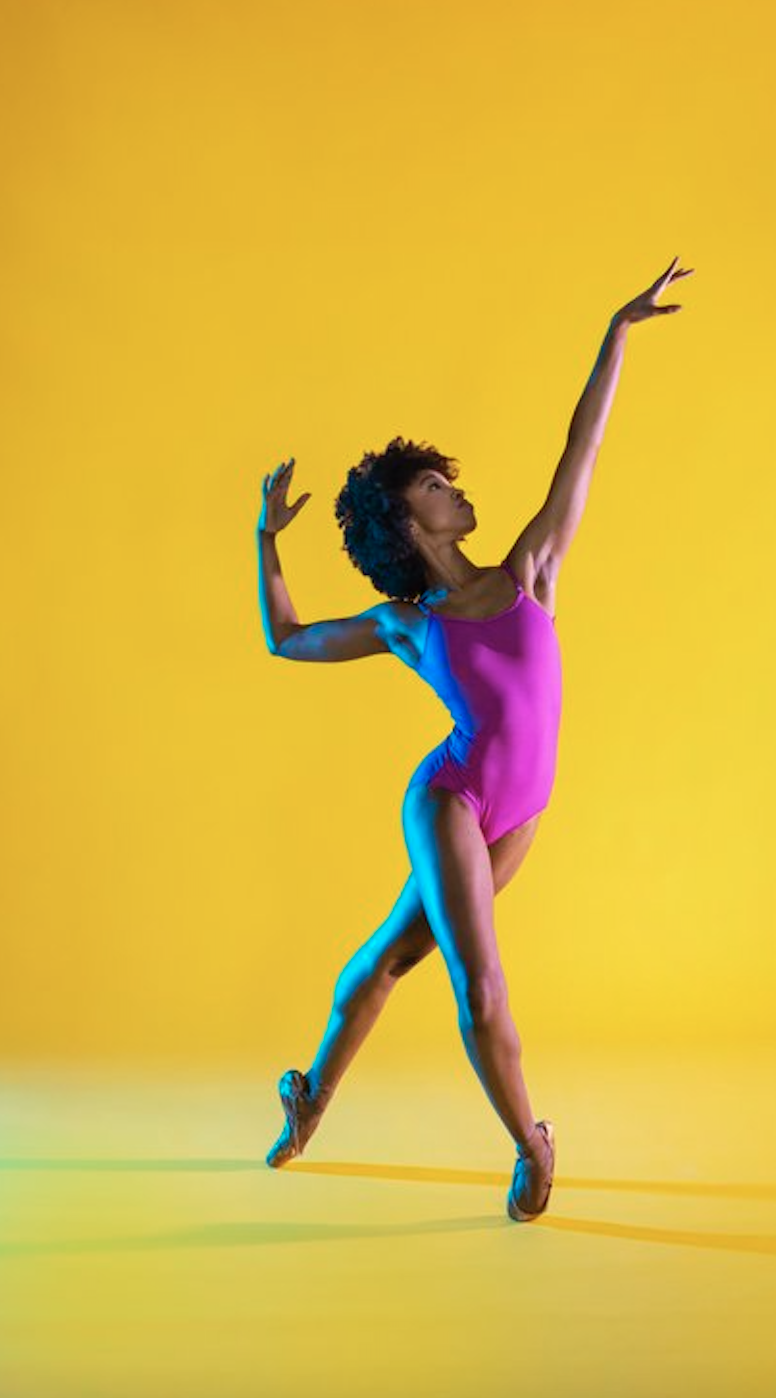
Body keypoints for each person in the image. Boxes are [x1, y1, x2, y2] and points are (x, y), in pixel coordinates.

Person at [255, 256, 694, 1222]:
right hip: (451, 801)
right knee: (479, 983)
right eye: (435, 489)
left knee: (390, 957)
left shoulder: (532, 568)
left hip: (520, 811)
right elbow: (288, 640)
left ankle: (310, 1098)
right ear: (407, 522)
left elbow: (582, 444)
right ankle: (533, 1145)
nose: (456, 493)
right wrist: (267, 543)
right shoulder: (411, 622)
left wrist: (615, 332)